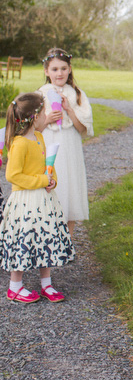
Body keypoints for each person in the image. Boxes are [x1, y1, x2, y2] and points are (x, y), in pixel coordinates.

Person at [0, 93, 74, 303]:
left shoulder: (40, 138)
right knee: (24, 240)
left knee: (45, 238)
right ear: (34, 117)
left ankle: (46, 284)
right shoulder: (20, 143)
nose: (46, 116)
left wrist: (52, 180)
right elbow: (13, 175)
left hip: (43, 200)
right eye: (43, 112)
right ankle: (15, 286)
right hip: (25, 202)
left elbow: (47, 168)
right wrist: (42, 180)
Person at [38, 49, 93, 239]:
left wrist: (69, 109)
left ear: (69, 69)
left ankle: (67, 239)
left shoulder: (76, 94)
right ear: (47, 71)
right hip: (49, 142)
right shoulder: (40, 94)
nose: (59, 73)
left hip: (70, 145)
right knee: (50, 182)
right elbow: (34, 128)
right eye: (54, 69)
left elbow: (83, 129)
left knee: (70, 184)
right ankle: (48, 236)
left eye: (63, 69)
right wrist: (47, 119)